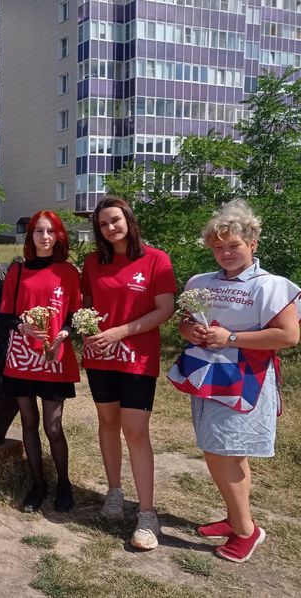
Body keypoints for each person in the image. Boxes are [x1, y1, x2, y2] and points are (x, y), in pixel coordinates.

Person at [170, 200, 300, 563]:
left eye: (233, 245)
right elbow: (183, 322)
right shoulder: (200, 282)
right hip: (207, 375)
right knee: (218, 450)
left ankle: (247, 530)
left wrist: (230, 339)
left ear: (252, 244)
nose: (224, 253)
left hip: (247, 378)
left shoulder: (271, 286)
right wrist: (191, 330)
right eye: (217, 247)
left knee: (224, 453)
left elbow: (289, 336)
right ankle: (235, 517)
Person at [80, 197, 175, 551]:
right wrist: (86, 327)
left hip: (137, 358)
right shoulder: (93, 262)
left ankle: (147, 514)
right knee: (107, 424)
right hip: (101, 357)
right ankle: (115, 493)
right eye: (103, 224)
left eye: (114, 221)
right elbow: (86, 304)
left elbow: (164, 310)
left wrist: (121, 331)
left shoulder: (155, 259)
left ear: (128, 220)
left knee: (135, 432)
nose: (109, 228)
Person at [0, 210, 81, 513]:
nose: (44, 237)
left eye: (50, 232)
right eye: (38, 231)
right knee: (28, 423)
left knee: (54, 426)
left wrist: (63, 332)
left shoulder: (69, 272)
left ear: (58, 236)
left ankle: (64, 484)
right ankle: (38, 484)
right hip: (22, 355)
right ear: (30, 235)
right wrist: (21, 327)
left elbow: (74, 314)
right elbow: (6, 314)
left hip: (54, 355)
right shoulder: (17, 272)